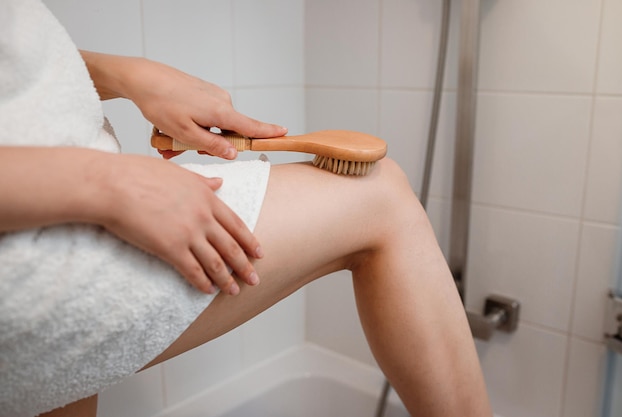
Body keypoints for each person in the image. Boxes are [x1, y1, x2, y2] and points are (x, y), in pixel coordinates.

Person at [0, 1, 492, 416]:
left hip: (52, 202)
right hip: (39, 227)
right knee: (381, 197)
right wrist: (108, 180)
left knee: (57, 392)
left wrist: (125, 75)